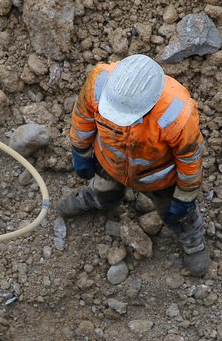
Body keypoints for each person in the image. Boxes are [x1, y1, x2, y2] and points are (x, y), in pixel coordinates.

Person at [58, 53, 210, 276]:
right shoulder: (98, 83)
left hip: (159, 180)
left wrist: (184, 198)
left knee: (178, 214)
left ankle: (192, 237)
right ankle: (96, 198)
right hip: (109, 163)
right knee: (104, 190)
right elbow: (83, 117)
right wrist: (80, 151)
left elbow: (190, 162)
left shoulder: (176, 114)